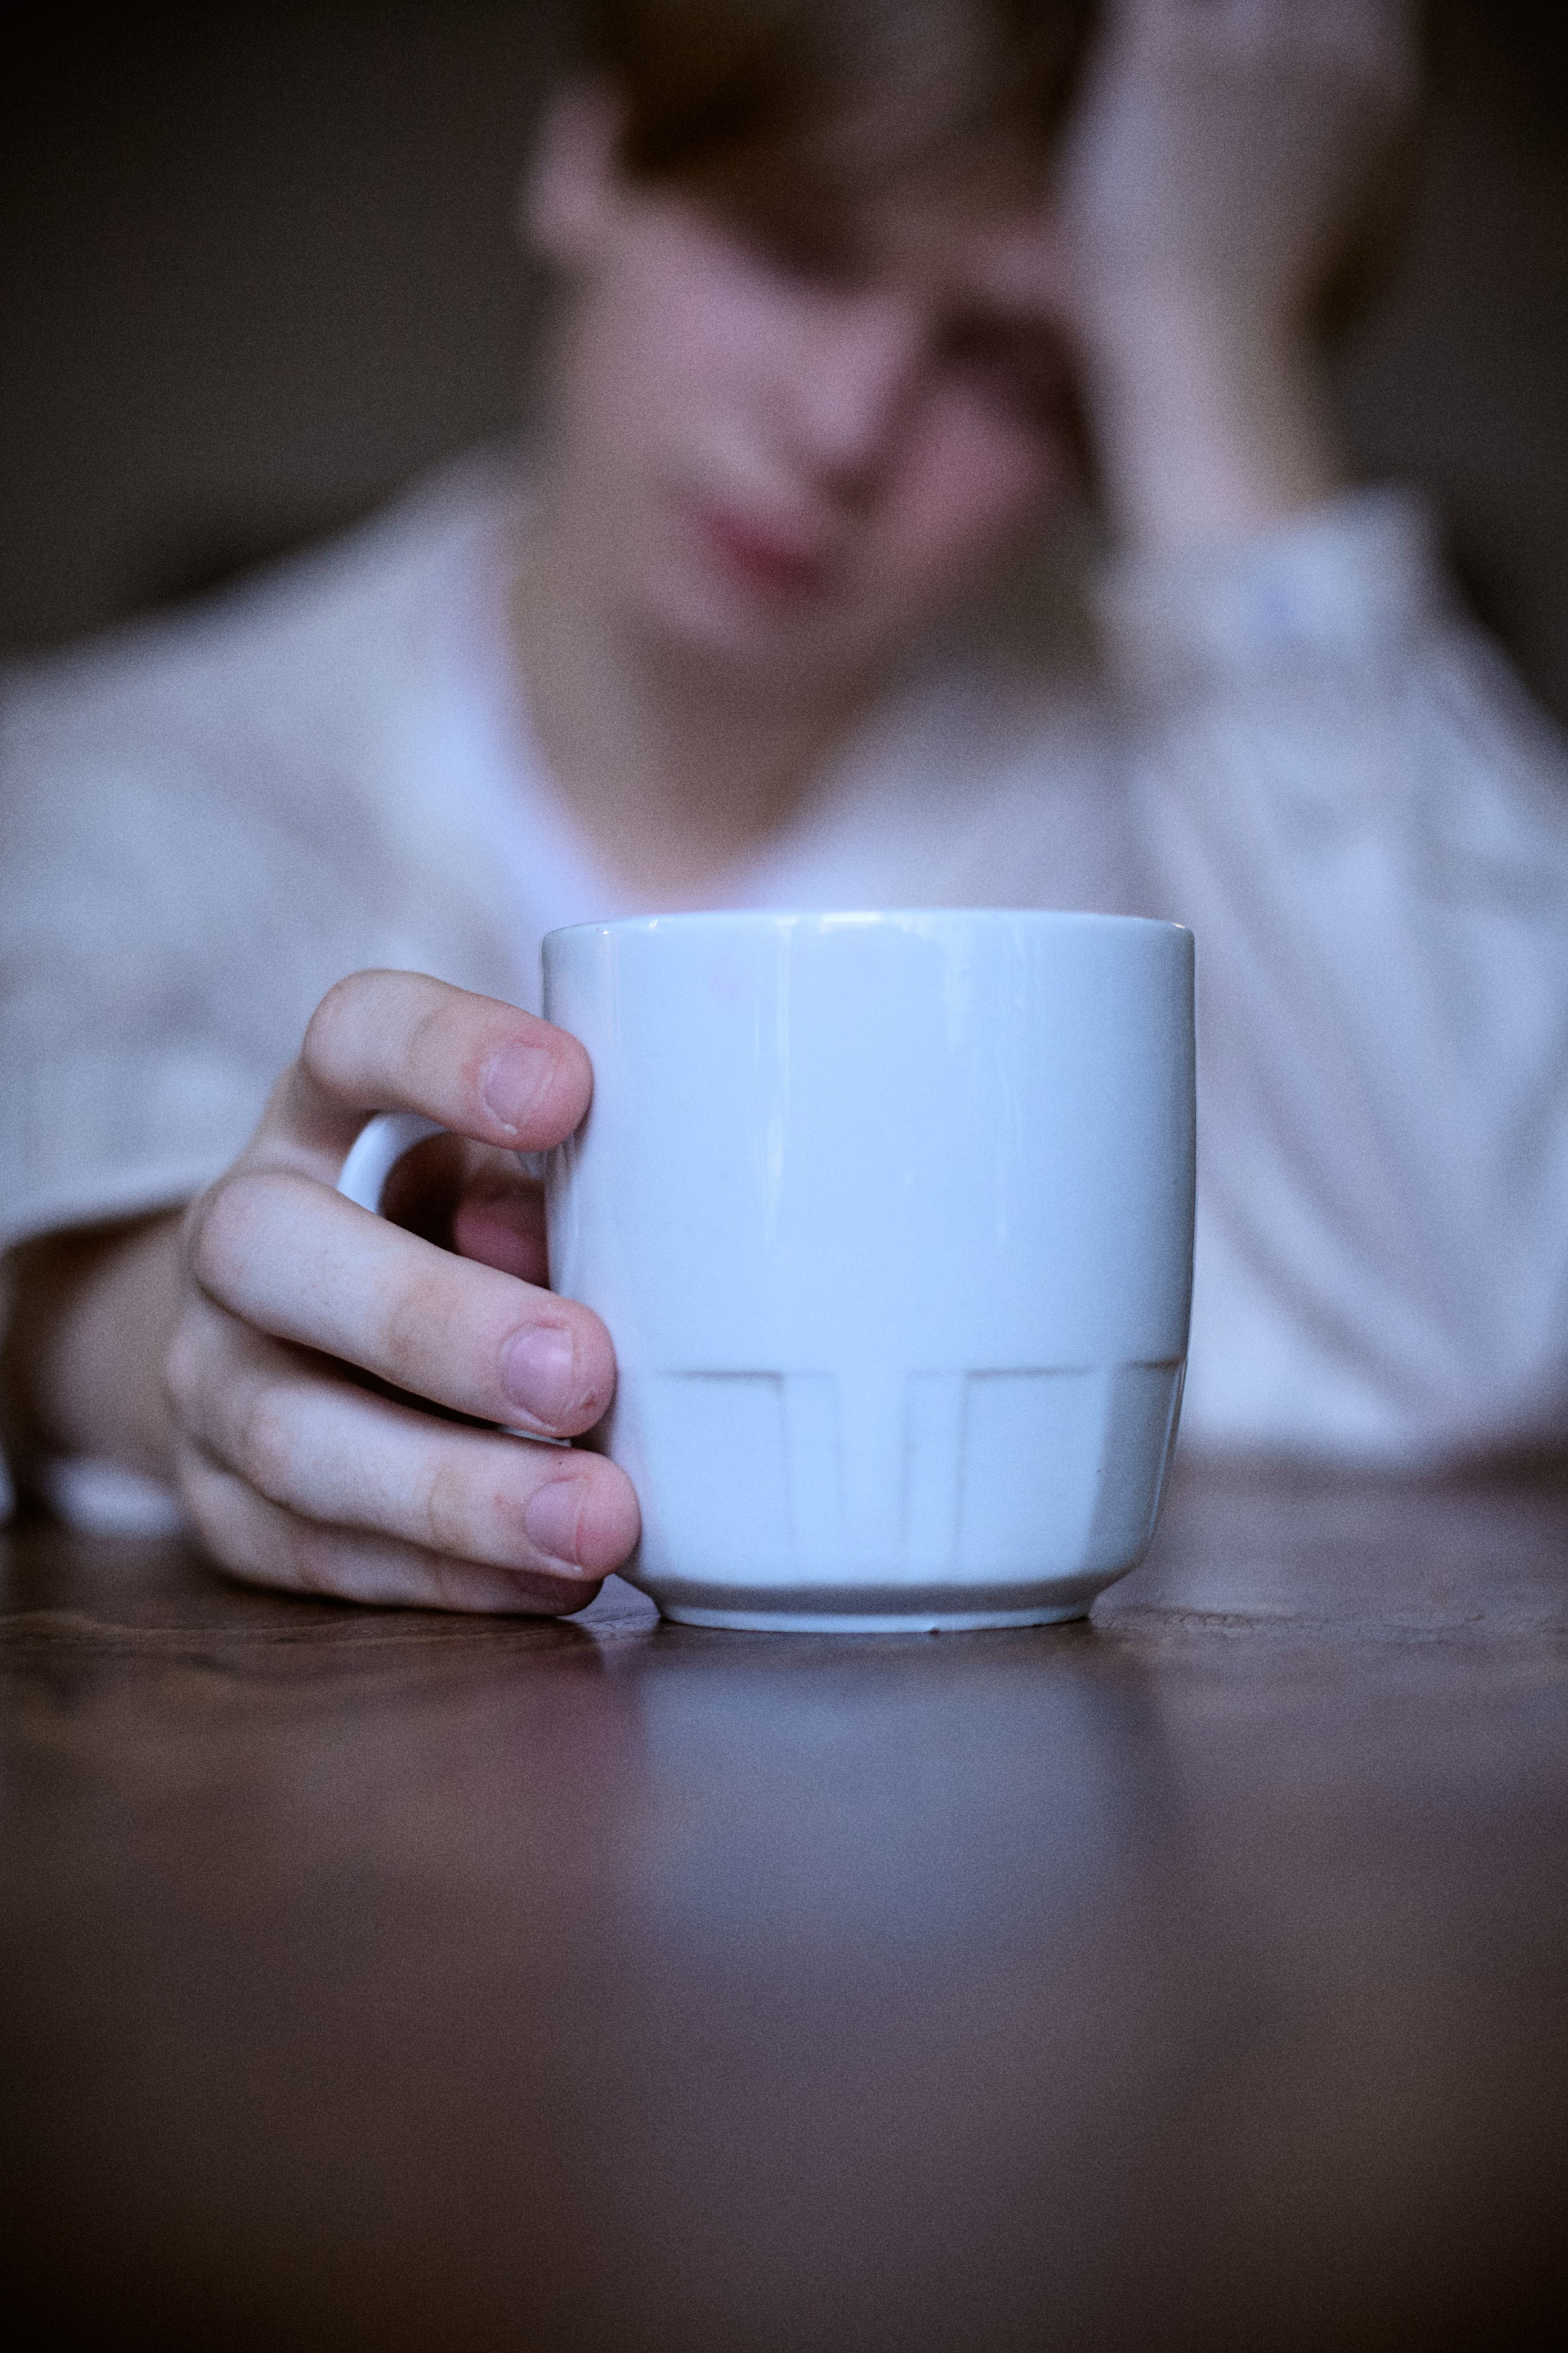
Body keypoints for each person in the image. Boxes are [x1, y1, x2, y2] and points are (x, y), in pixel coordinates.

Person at [3, 0, 1566, 1614]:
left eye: (1013, 365)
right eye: (801, 248)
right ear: (589, 150)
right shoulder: (119, 780)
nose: (844, 427)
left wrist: (1200, 335)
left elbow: (1507, 1306)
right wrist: (116, 1335)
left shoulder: (1171, 845)